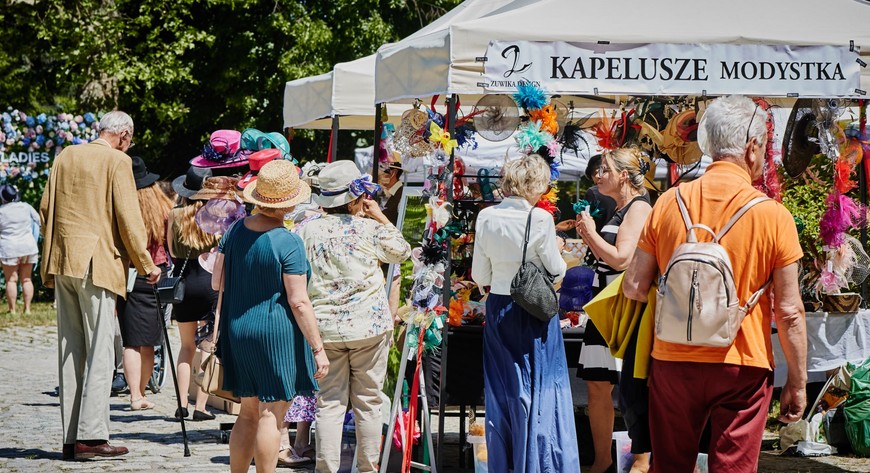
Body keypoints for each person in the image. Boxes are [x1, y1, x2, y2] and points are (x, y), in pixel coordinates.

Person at [623, 95, 808, 473]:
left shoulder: (668, 202)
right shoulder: (773, 215)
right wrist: (799, 382)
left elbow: (634, 287)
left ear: (708, 144)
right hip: (743, 363)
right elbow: (788, 311)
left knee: (670, 466)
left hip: (673, 358)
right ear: (753, 148)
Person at [40, 111, 161, 460]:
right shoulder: (117, 161)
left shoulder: (66, 156)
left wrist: (53, 254)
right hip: (96, 263)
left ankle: (71, 437)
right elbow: (128, 218)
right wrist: (147, 264)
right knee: (101, 349)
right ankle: (91, 437)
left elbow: (46, 209)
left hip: (64, 260)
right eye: (131, 140)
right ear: (124, 136)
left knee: (70, 350)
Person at [211, 159, 329, 473]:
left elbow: (215, 281)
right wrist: (318, 348)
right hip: (274, 333)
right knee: (271, 414)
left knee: (247, 412)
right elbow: (299, 301)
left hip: (238, 330)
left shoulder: (235, 231)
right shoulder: (288, 241)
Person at [298, 160, 411, 473]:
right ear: (355, 198)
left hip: (325, 329)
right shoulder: (369, 228)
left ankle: (326, 468)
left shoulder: (307, 230)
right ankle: (366, 467)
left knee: (330, 403)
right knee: (369, 402)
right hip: (369, 327)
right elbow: (402, 252)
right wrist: (380, 218)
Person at [470, 154, 580, 473]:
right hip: (533, 311)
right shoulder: (541, 219)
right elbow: (556, 270)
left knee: (504, 390)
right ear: (536, 184)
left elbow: (481, 275)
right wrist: (558, 251)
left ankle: (506, 463)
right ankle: (539, 463)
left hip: (499, 308)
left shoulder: (487, 217)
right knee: (540, 390)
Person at [574, 147, 652, 473]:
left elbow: (621, 259)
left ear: (623, 175)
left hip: (624, 311)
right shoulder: (619, 208)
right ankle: (602, 460)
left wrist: (592, 234)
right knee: (597, 384)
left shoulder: (639, 207)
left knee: (629, 386)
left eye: (604, 169)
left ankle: (642, 460)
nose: (597, 175)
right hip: (605, 309)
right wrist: (590, 237)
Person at [117, 157, 173, 411]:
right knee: (150, 341)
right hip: (155, 274)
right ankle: (141, 391)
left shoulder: (121, 205)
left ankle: (134, 395)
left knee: (131, 341)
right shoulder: (162, 205)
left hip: (128, 273)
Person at [168, 166, 219, 421]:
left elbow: (171, 250)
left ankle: (181, 404)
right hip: (208, 281)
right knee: (208, 346)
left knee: (186, 346)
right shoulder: (215, 216)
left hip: (183, 283)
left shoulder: (174, 215)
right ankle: (201, 406)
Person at [0, 184, 40, 314]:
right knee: (27, 279)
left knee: (11, 280)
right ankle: (27, 309)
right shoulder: (26, 207)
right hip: (28, 247)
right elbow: (39, 220)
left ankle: (12, 310)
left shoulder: (1, 211)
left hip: (9, 248)